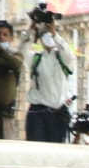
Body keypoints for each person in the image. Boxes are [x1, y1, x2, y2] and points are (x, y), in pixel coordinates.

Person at [23, 11, 74, 143]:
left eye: (48, 35)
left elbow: (68, 54)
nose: (47, 39)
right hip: (38, 113)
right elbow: (22, 52)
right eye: (43, 35)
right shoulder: (36, 58)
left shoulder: (61, 57)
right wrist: (31, 29)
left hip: (57, 113)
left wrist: (54, 33)